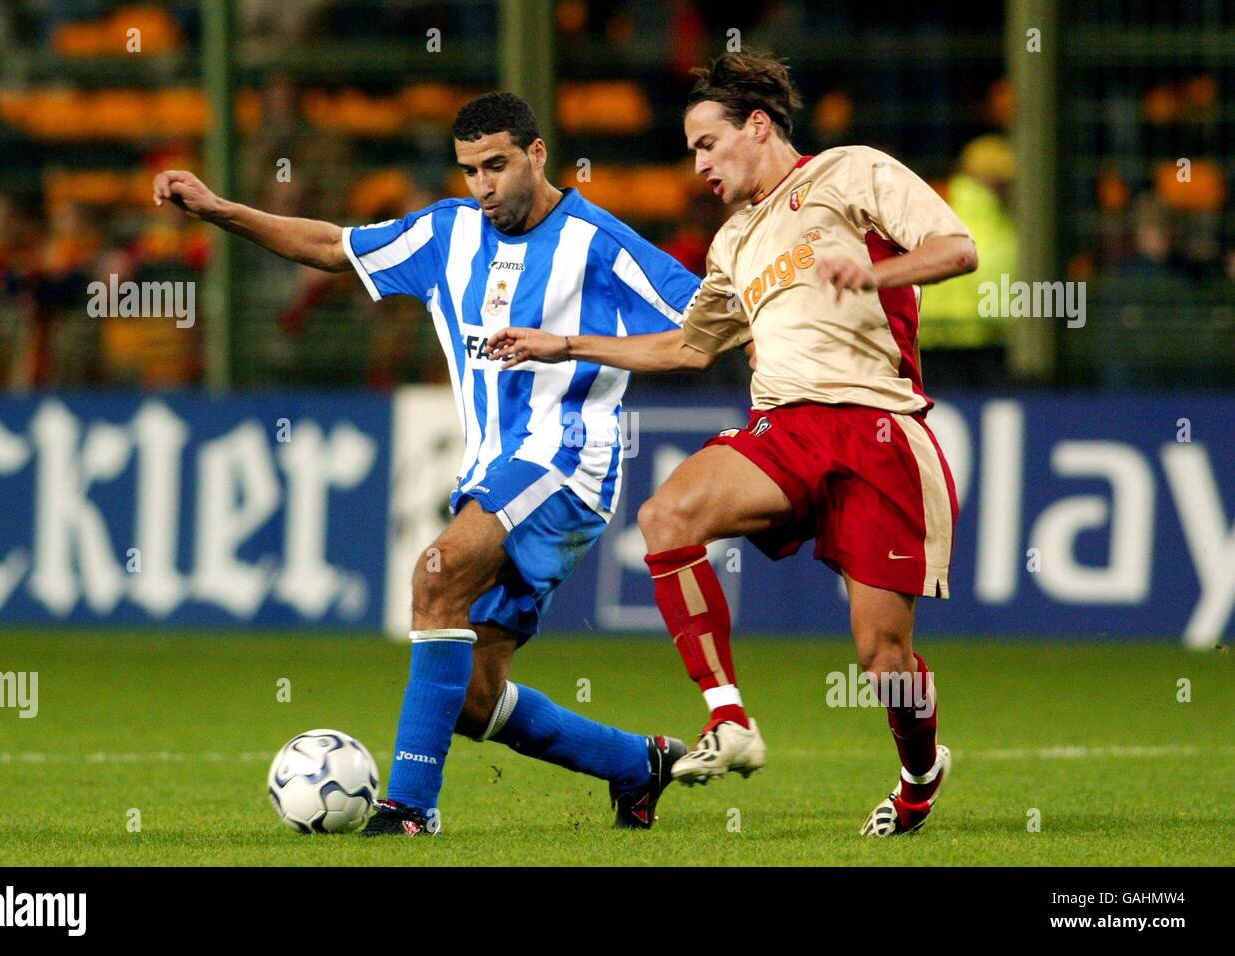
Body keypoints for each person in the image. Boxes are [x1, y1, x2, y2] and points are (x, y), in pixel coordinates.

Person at [154, 92, 698, 835]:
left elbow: (705, 325)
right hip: (492, 472)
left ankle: (410, 808)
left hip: (567, 461)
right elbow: (330, 247)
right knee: (474, 699)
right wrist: (220, 209)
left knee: (434, 574)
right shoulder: (447, 235)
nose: (482, 185)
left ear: (538, 156)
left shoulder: (598, 245)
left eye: (497, 165)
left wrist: (574, 346)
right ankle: (638, 765)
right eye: (470, 169)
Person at [489, 50, 978, 836]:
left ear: (758, 126)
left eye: (707, 143)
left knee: (885, 664)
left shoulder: (852, 172)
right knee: (667, 517)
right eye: (690, 150)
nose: (699, 164)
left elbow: (959, 250)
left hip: (880, 429)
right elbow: (687, 347)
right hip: (785, 426)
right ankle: (730, 718)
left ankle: (920, 773)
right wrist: (567, 345)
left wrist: (876, 274)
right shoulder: (733, 242)